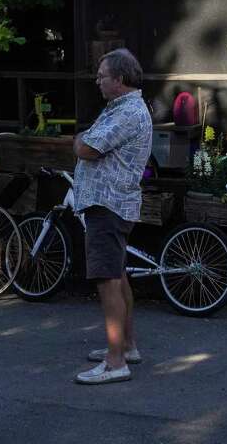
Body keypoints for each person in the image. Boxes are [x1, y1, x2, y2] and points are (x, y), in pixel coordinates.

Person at [72, 48, 153, 385]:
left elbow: (88, 147)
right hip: (112, 204)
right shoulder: (121, 107)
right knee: (117, 277)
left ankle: (115, 361)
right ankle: (127, 346)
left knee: (107, 282)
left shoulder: (128, 112)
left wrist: (78, 142)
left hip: (109, 206)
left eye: (103, 76)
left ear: (119, 80)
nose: (98, 80)